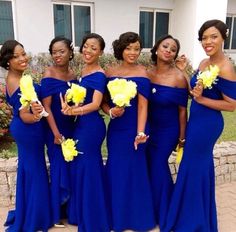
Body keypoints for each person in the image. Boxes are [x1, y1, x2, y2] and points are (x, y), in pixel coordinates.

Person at [163, 19, 236, 232]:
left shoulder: (226, 67)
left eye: (213, 36)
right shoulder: (204, 63)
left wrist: (202, 101)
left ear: (224, 37)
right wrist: (183, 72)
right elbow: (195, 91)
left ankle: (194, 221)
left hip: (208, 124)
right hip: (195, 120)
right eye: (204, 38)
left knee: (195, 167)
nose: (208, 41)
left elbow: (232, 105)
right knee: (191, 166)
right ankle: (190, 214)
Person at [102, 32, 156, 231]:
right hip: (117, 129)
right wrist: (112, 112)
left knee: (135, 170)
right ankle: (116, 217)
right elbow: (103, 103)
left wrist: (140, 133)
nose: (133, 52)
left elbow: (143, 106)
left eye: (136, 48)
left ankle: (137, 217)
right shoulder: (109, 72)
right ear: (120, 49)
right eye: (128, 48)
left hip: (136, 128)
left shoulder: (144, 72)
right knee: (116, 169)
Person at [0, 40, 52, 231]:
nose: (22, 58)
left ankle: (31, 210)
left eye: (23, 54)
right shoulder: (17, 81)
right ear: (8, 61)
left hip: (26, 129)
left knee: (30, 170)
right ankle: (35, 217)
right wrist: (38, 115)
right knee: (35, 171)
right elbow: (25, 115)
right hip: (28, 129)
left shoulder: (17, 77)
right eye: (16, 56)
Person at [60, 33, 110, 232]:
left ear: (100, 52)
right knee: (81, 167)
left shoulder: (99, 74)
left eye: (94, 48)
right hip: (80, 124)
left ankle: (93, 217)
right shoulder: (84, 70)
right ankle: (81, 213)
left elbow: (96, 103)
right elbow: (83, 99)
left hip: (91, 127)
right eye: (86, 46)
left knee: (89, 168)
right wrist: (73, 105)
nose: (88, 51)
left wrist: (74, 110)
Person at [146, 35, 188, 231]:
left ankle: (167, 213)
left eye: (173, 49)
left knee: (158, 165)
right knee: (148, 166)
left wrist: (181, 138)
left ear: (174, 56)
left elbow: (182, 111)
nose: (168, 50)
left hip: (168, 131)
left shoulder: (179, 78)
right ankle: (151, 210)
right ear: (156, 49)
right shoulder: (146, 73)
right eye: (165, 46)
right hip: (148, 129)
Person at [41, 36, 76, 227]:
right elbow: (46, 108)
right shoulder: (49, 74)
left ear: (70, 52)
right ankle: (55, 215)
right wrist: (56, 133)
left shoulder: (72, 75)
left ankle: (67, 210)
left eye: (61, 51)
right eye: (54, 52)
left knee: (69, 169)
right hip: (54, 129)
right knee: (58, 168)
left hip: (71, 127)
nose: (57, 55)